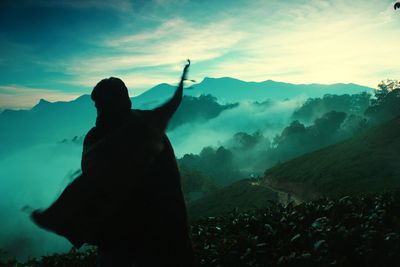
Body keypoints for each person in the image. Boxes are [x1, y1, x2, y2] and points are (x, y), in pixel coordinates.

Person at [31, 61, 194, 267]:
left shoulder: (101, 136)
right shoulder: (148, 124)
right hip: (167, 233)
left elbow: (93, 182)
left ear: (119, 103)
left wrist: (60, 216)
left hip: (125, 240)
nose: (99, 112)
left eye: (102, 106)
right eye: (98, 107)